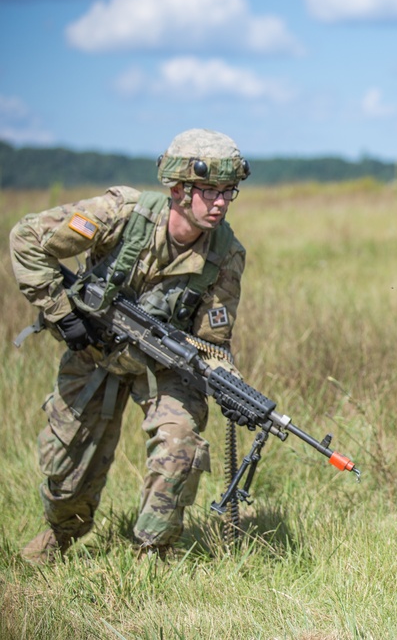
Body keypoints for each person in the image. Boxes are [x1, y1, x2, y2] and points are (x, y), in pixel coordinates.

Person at [10, 128, 251, 564]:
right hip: (93, 351)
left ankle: (152, 554)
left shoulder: (226, 253)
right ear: (178, 189)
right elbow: (27, 239)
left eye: (228, 192)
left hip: (162, 366)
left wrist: (233, 388)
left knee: (181, 446)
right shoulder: (121, 213)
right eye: (209, 191)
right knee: (67, 471)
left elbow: (211, 343)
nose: (220, 202)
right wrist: (63, 313)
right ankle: (61, 534)